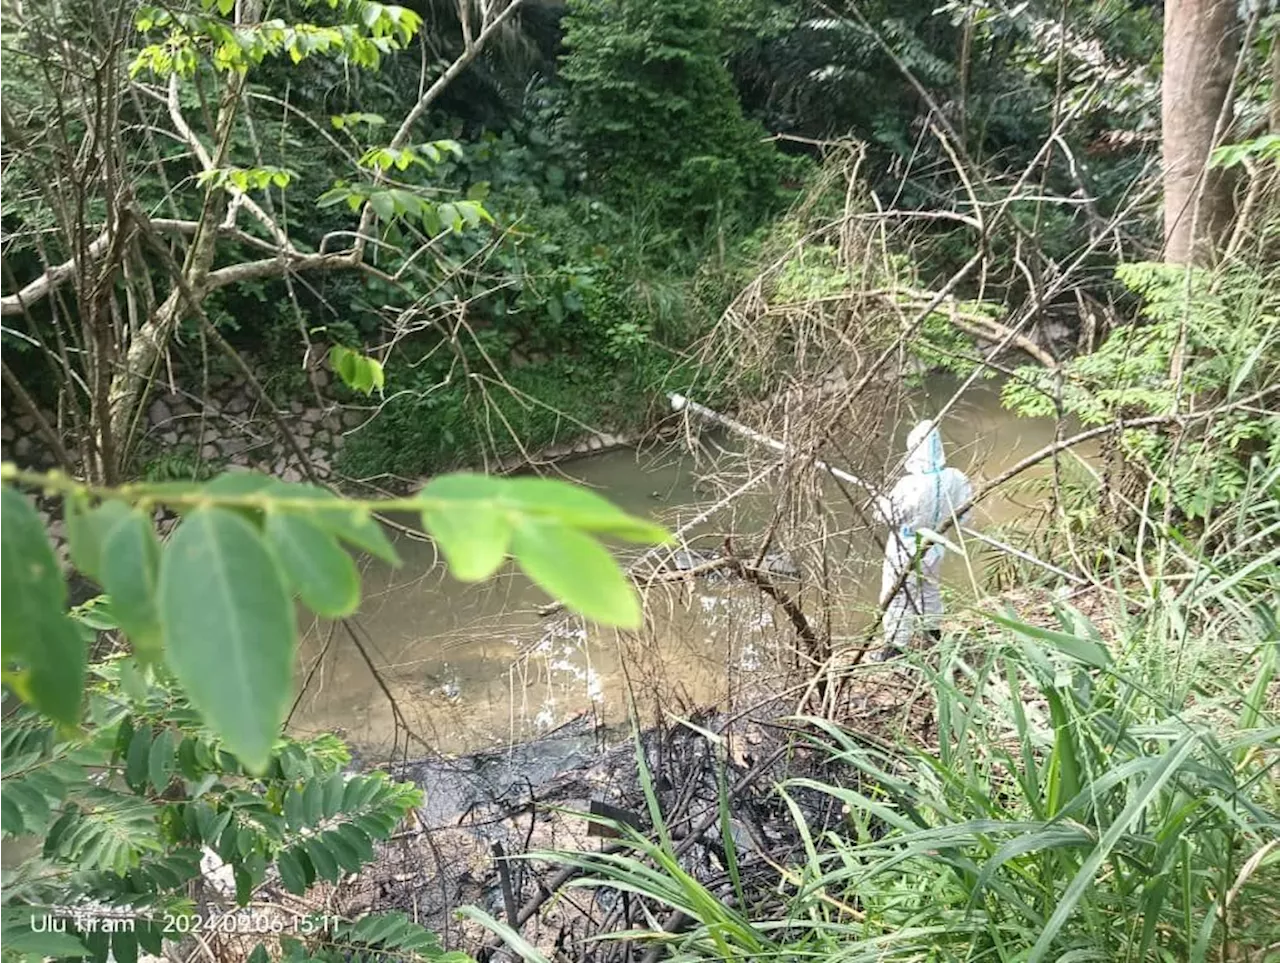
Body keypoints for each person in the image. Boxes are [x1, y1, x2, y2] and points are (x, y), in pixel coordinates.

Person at [873, 420, 973, 660]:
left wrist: (880, 501)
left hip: (905, 546)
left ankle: (894, 649)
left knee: (897, 594)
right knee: (929, 589)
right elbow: (965, 516)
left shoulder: (910, 484)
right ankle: (933, 635)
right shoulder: (955, 478)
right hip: (935, 546)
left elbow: (888, 517)